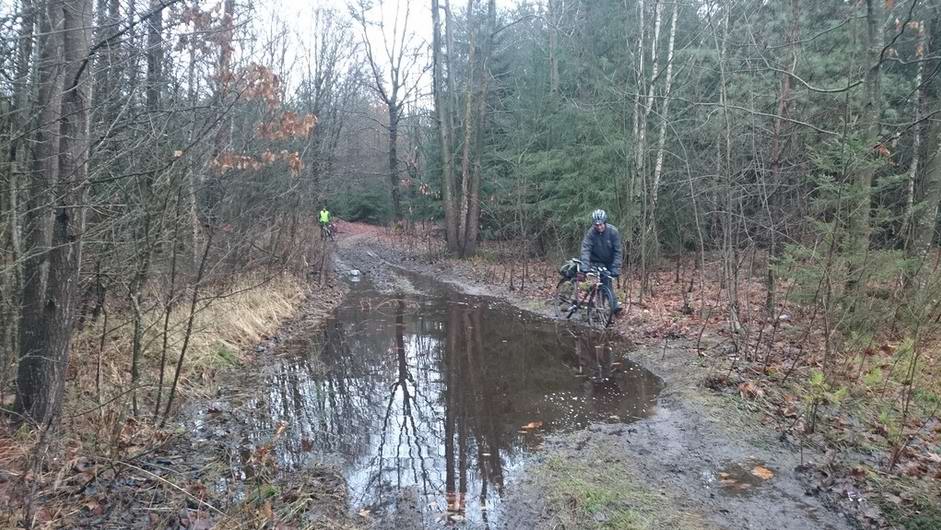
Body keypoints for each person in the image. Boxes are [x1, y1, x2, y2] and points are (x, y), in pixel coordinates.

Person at [579, 209, 622, 314]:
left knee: (607, 281)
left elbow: (618, 251)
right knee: (604, 280)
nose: (599, 227)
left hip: (609, 260)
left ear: (605, 223)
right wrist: (585, 266)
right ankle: (611, 305)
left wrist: (615, 267)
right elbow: (585, 249)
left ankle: (611, 306)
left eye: (601, 224)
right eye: (596, 225)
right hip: (596, 260)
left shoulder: (613, 232)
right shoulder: (591, 233)